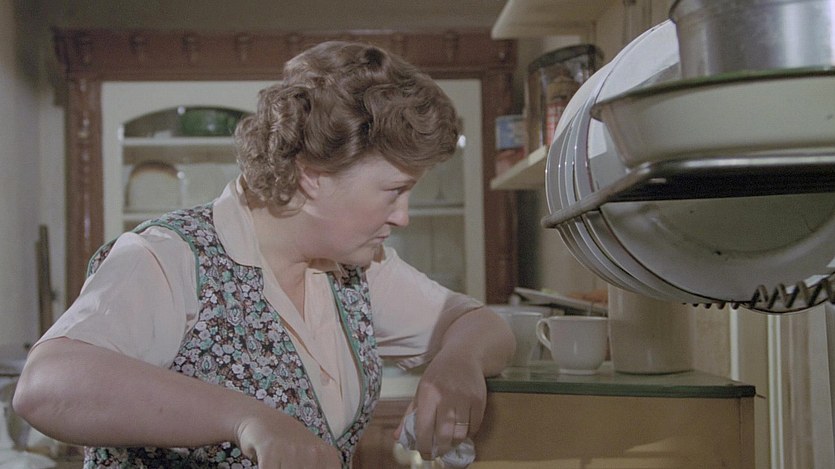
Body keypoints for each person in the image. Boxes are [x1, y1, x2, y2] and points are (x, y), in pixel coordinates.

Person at [13, 40, 514, 468]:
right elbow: (46, 385)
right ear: (313, 175)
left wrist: (458, 363)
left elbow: (483, 325)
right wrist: (245, 417)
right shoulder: (171, 258)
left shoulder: (353, 268)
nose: (403, 216)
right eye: (394, 191)